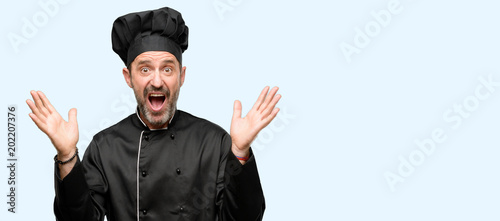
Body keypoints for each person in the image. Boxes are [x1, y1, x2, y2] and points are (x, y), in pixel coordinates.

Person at [26, 7, 281, 221]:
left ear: (181, 77)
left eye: (167, 70)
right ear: (129, 77)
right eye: (145, 69)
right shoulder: (106, 147)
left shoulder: (214, 142)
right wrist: (67, 156)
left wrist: (240, 152)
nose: (157, 81)